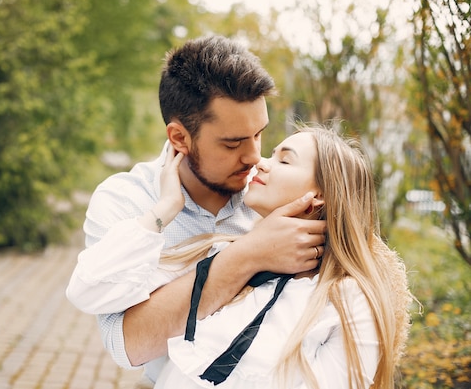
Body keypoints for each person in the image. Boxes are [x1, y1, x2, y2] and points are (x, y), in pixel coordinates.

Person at [66, 35, 326, 385]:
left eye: (259, 135)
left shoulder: (272, 190)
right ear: (179, 138)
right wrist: (249, 255)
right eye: (232, 143)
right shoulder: (125, 201)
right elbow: (127, 345)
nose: (253, 157)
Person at [150, 126, 413, 388]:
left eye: (284, 160)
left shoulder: (346, 300)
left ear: (319, 195)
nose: (261, 163)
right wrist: (168, 205)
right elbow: (115, 291)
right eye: (272, 155)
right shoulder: (228, 255)